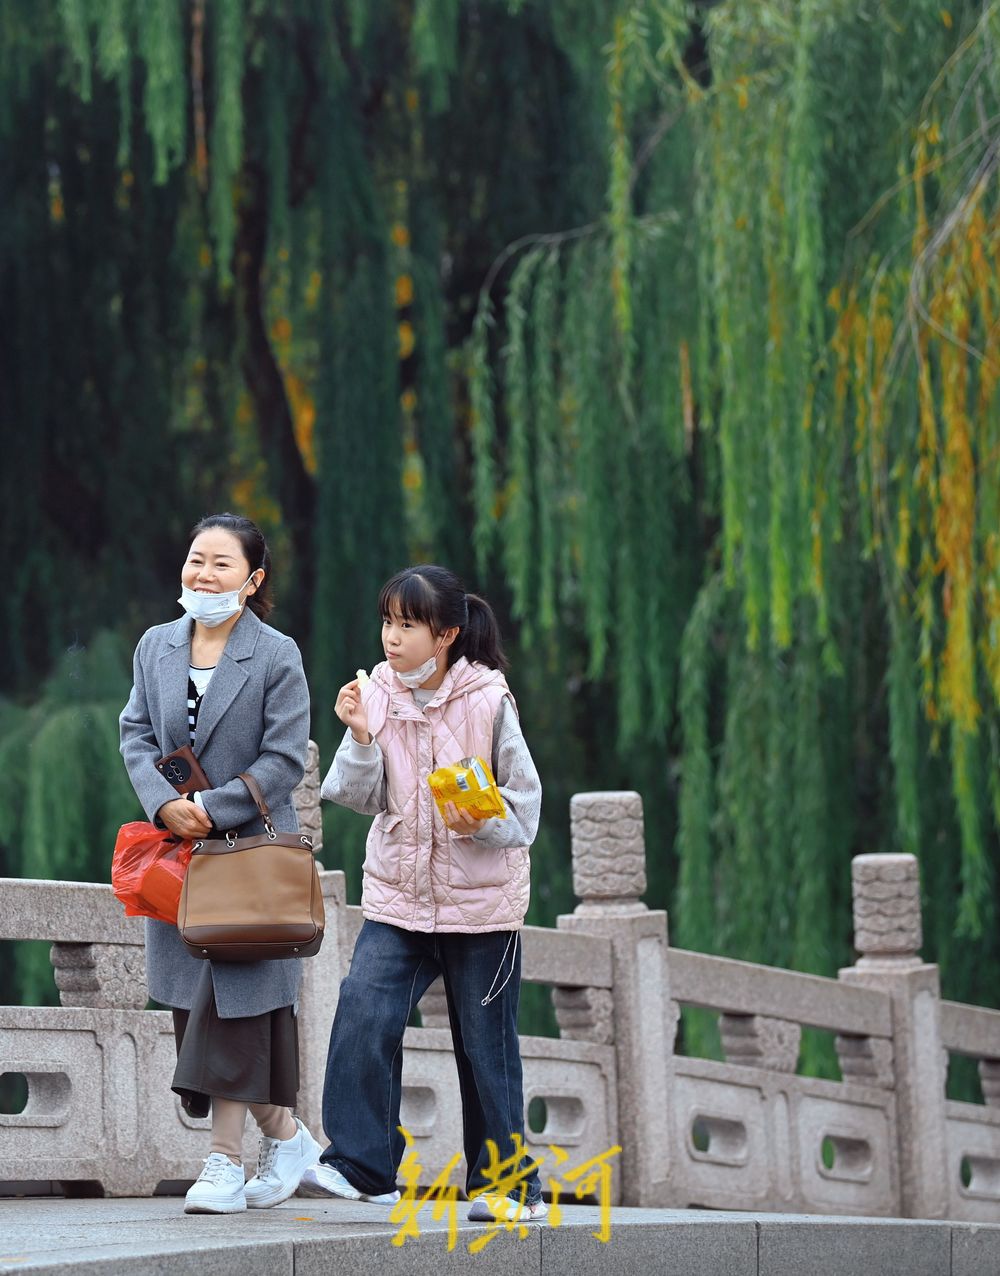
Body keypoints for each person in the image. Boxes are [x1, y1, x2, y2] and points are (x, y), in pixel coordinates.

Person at [299, 564, 548, 1223]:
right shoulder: (376, 692)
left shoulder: (490, 700)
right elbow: (361, 796)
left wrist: (479, 817)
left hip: (482, 907)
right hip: (398, 901)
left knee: (484, 1045)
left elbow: (524, 811)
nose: (391, 637)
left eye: (407, 625)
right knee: (361, 1010)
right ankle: (364, 1165)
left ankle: (508, 1186)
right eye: (387, 622)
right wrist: (357, 736)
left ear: (445, 634)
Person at [119, 512, 322, 1214]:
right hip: (181, 858)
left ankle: (223, 1163)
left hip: (250, 859)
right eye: (195, 559)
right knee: (193, 1010)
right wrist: (162, 804)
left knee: (228, 1010)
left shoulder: (274, 654)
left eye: (221, 564)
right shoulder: (156, 645)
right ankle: (289, 1138)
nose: (203, 575)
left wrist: (220, 804)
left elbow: (286, 756)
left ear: (253, 579)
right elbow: (137, 732)